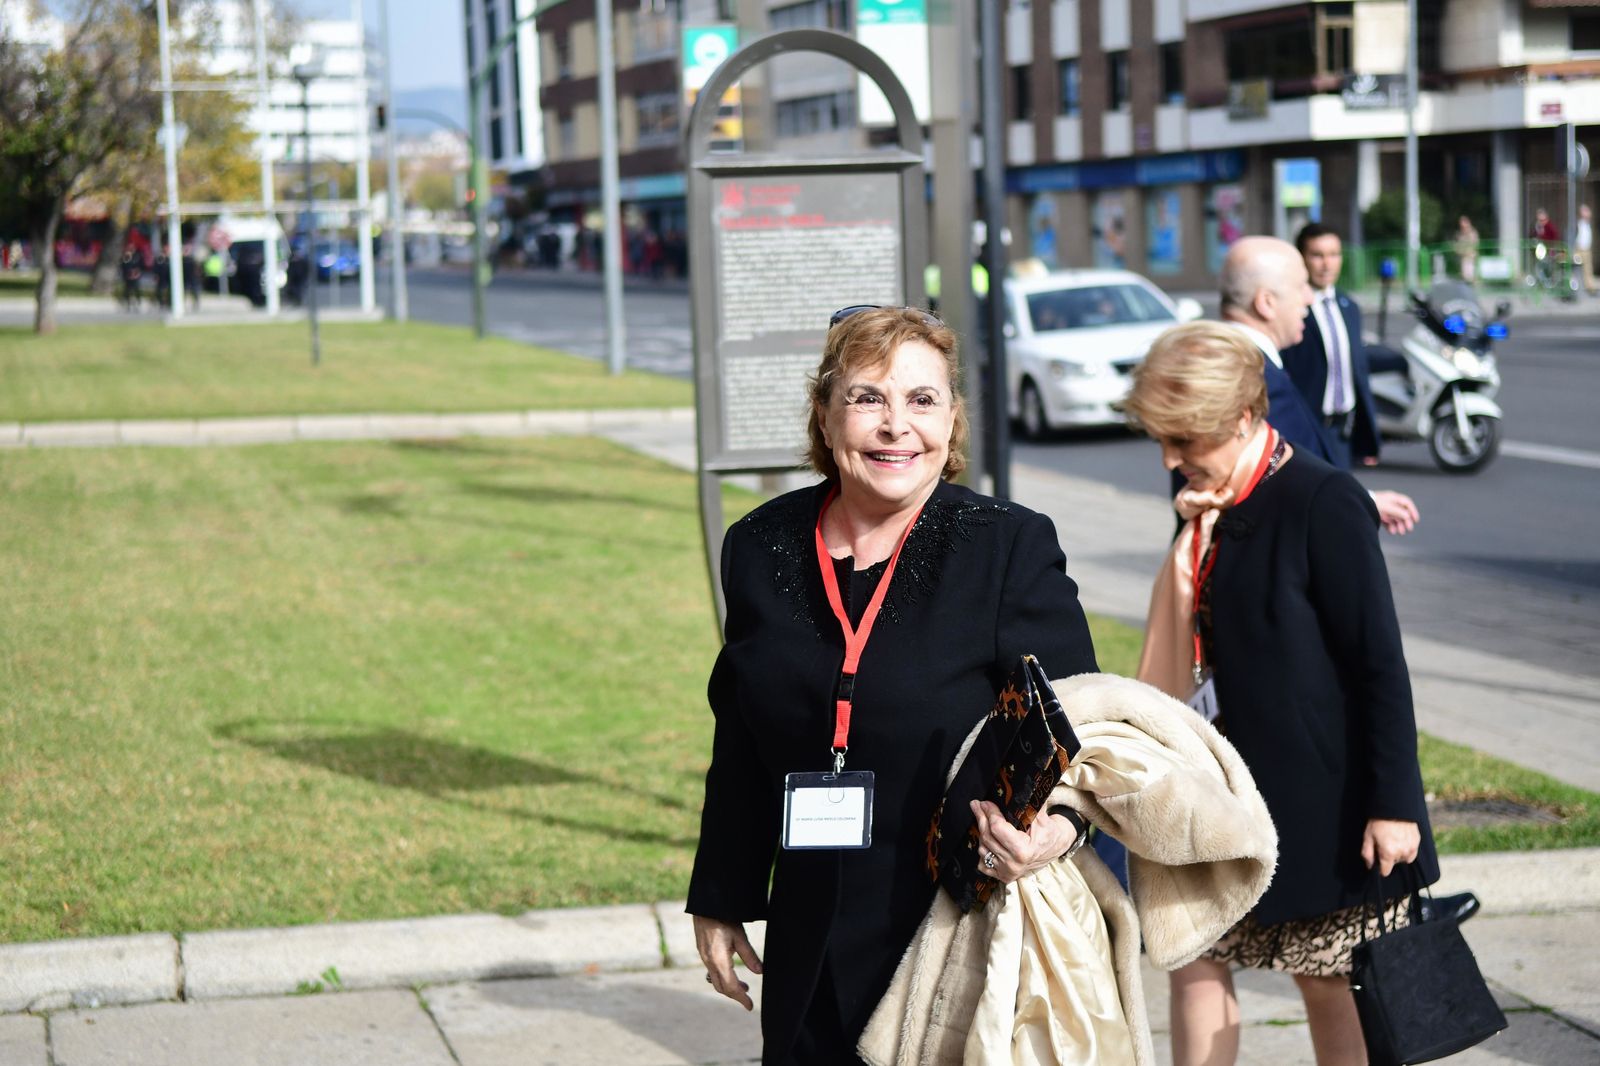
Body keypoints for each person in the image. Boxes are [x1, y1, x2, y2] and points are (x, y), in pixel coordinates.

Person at [688, 306, 1099, 1064]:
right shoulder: (759, 545)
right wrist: (720, 893)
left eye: (921, 400)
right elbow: (741, 733)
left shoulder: (1007, 546)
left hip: (953, 924)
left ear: (952, 419)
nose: (894, 425)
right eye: (867, 398)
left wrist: (1058, 831)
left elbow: (1081, 724)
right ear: (825, 414)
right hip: (810, 927)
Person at [1125, 321, 1441, 1066]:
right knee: (1193, 954)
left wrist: (1395, 804)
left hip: (1319, 800)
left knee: (1327, 978)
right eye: (1164, 440)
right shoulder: (1214, 495)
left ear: (1242, 419)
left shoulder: (1322, 501)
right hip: (1220, 785)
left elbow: (1379, 666)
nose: (1171, 460)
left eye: (1186, 441)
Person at [1218, 236, 1417, 535]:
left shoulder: (1231, 361)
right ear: (1266, 303)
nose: (1310, 298)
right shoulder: (1252, 378)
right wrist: (1365, 502)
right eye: (1301, 286)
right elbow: (1287, 487)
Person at [1280, 224, 1382, 470]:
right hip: (1305, 429)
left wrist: (1368, 437)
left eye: (1334, 254)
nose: (1327, 264)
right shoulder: (1290, 307)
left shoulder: (1349, 306)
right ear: (1302, 258)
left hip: (1342, 431)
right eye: (1317, 255)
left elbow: (1357, 370)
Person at [1454, 215, 1480, 285]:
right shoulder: (1459, 234)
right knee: (1464, 277)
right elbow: (1457, 245)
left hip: (1470, 257)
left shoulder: (1472, 233)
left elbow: (1475, 244)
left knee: (1470, 277)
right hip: (1462, 257)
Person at [1577, 204, 1594, 296]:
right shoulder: (1580, 223)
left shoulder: (1587, 223)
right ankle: (1577, 286)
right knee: (1576, 268)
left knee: (1588, 269)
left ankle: (1589, 287)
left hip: (1586, 249)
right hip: (1579, 249)